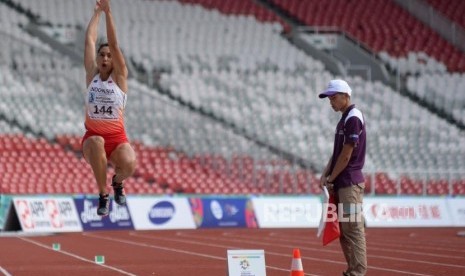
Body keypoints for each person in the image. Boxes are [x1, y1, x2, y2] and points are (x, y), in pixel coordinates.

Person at [82, 0, 136, 216]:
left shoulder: (120, 78)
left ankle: (117, 182)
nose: (105, 58)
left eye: (108, 56)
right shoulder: (91, 76)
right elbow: (89, 40)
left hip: (117, 138)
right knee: (97, 141)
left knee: (130, 163)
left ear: (115, 60)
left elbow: (114, 44)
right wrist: (97, 13)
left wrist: (109, 13)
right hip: (92, 138)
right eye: (101, 55)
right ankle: (103, 195)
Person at [318, 79, 367, 276]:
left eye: (334, 97)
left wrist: (331, 178)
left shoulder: (353, 117)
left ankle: (358, 272)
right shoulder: (345, 118)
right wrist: (325, 174)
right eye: (329, 97)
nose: (331, 101)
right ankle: (352, 270)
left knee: (353, 229)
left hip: (350, 184)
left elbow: (346, 154)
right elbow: (337, 153)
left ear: (346, 96)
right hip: (343, 183)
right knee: (345, 232)